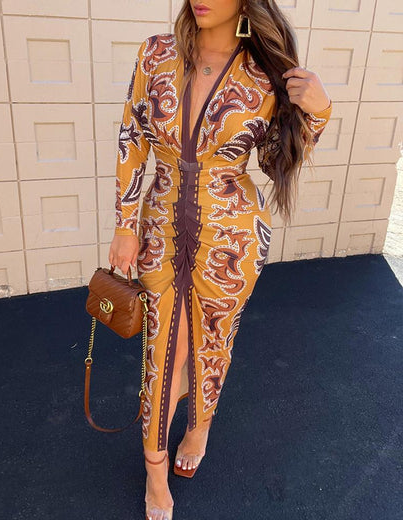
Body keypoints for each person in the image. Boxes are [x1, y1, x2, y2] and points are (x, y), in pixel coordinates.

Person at [109, 1, 332, 518]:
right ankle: (154, 470)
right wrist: (124, 224)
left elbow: (275, 161)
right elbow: (133, 139)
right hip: (159, 228)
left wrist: (316, 113)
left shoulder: (264, 72)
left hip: (232, 238)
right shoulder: (156, 54)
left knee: (212, 340)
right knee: (163, 352)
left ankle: (199, 426)